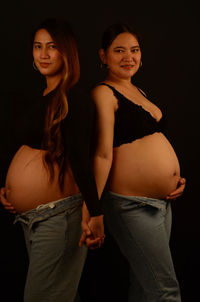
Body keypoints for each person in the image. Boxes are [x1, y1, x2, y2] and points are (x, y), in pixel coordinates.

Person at [0, 18, 104, 302]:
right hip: (32, 218)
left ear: (66, 52)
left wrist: (95, 212)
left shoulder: (75, 99)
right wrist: (9, 189)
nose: (43, 54)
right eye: (37, 47)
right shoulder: (41, 98)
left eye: (52, 47)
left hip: (59, 217)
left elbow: (83, 159)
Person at [82, 23, 186, 301]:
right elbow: (102, 155)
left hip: (162, 203)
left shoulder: (138, 91)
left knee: (144, 287)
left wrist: (175, 177)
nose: (129, 57)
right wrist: (92, 210)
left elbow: (152, 145)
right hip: (131, 204)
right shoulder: (104, 93)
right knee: (165, 291)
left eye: (134, 50)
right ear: (103, 56)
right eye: (119, 51)